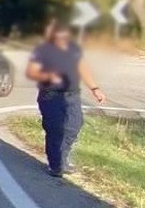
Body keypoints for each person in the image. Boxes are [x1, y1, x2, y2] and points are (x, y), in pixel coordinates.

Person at [25, 21, 107, 177]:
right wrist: (48, 75)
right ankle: (56, 165)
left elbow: (82, 68)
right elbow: (32, 72)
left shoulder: (74, 49)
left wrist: (95, 89)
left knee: (74, 126)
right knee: (55, 129)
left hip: (72, 95)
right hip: (50, 96)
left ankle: (63, 159)